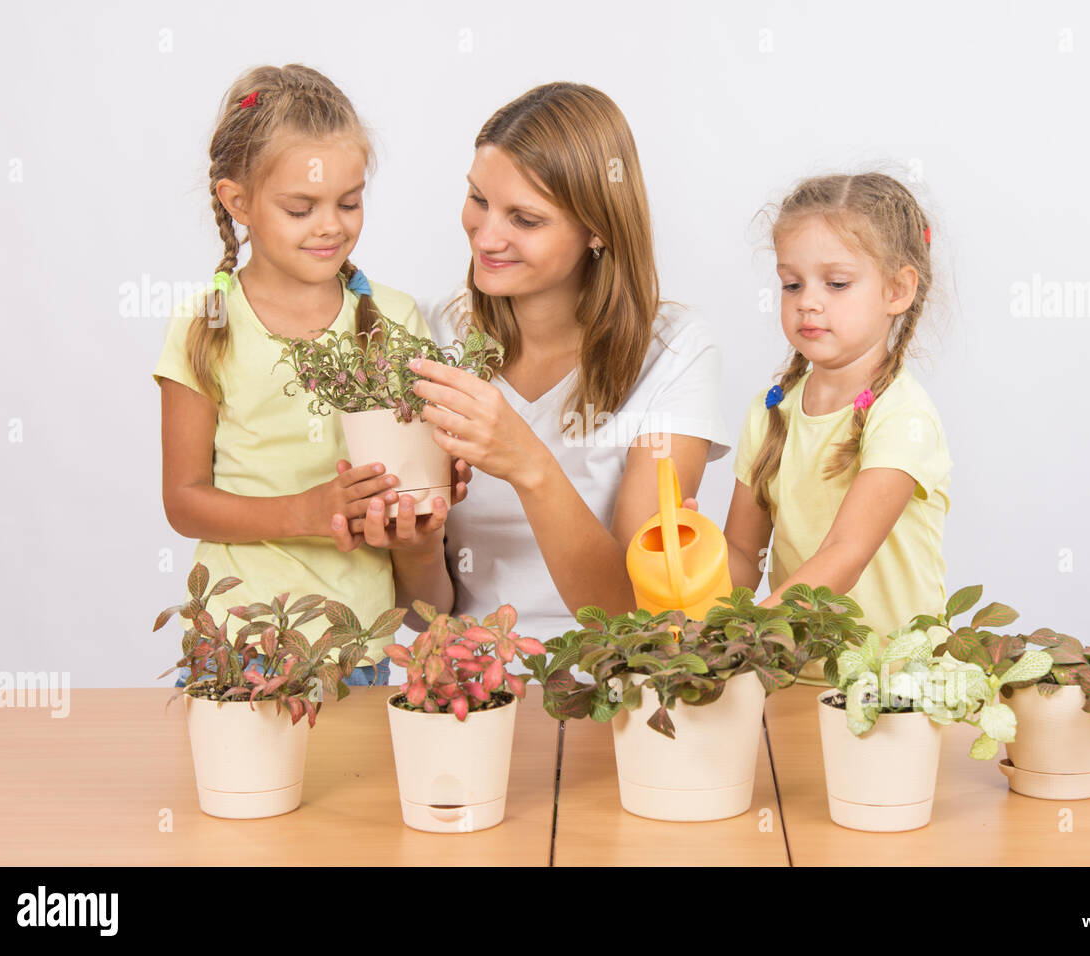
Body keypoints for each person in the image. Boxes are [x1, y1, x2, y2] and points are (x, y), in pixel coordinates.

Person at [332, 82, 731, 646]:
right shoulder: (432, 334)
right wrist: (417, 545)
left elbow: (634, 616)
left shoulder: (676, 351)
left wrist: (527, 463)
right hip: (473, 685)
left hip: (612, 685)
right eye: (479, 199)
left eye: (525, 218)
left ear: (597, 228)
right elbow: (427, 615)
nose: (487, 235)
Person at [154, 64, 463, 685]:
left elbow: (414, 496)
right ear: (236, 200)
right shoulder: (207, 322)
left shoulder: (396, 318)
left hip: (363, 647)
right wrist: (306, 512)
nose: (331, 225)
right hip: (240, 643)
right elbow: (184, 501)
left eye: (349, 202)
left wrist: (430, 491)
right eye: (301, 208)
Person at [725, 172, 952, 685]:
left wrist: (748, 634)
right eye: (792, 283)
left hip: (897, 685)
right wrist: (692, 559)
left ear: (898, 290)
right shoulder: (771, 409)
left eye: (837, 283)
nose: (808, 301)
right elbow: (743, 553)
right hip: (796, 676)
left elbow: (844, 556)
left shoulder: (901, 417)